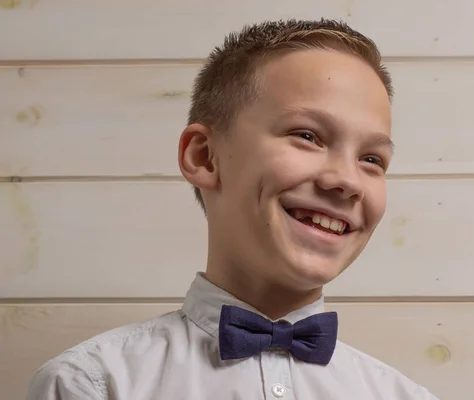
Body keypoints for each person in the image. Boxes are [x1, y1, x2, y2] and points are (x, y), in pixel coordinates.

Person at [26, 19, 440, 399]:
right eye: (308, 135)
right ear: (205, 157)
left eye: (372, 160)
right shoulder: (91, 385)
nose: (347, 181)